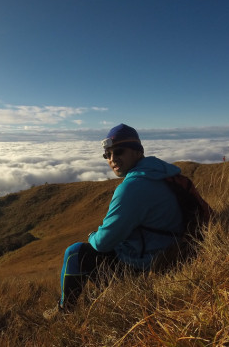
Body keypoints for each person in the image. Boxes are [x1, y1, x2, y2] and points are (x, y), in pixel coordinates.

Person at [44, 124, 185, 320]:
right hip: (171, 254)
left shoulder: (133, 187)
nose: (112, 159)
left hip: (145, 267)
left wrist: (92, 236)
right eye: (107, 155)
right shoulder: (162, 172)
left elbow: (102, 243)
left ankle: (64, 311)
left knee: (74, 254)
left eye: (119, 151)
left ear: (137, 152)